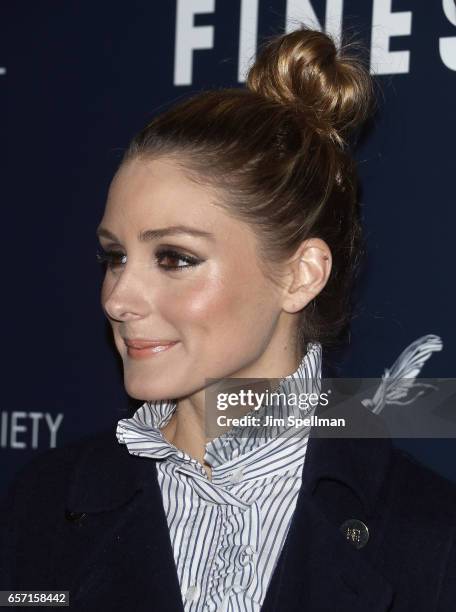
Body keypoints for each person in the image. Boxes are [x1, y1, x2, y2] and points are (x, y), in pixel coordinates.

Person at [1, 25, 455, 612]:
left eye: (175, 258)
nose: (117, 298)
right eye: (115, 256)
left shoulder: (431, 539)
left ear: (301, 275)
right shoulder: (41, 504)